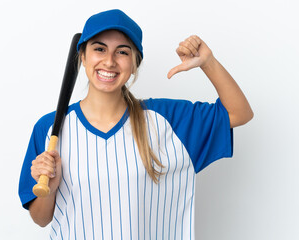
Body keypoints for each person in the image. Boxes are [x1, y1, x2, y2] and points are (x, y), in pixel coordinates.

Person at [19, 9, 253, 240]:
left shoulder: (167, 119)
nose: (109, 61)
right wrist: (50, 188)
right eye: (99, 49)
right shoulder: (51, 128)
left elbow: (239, 113)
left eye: (122, 52)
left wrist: (207, 62)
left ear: (134, 64)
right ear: (83, 56)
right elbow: (41, 219)